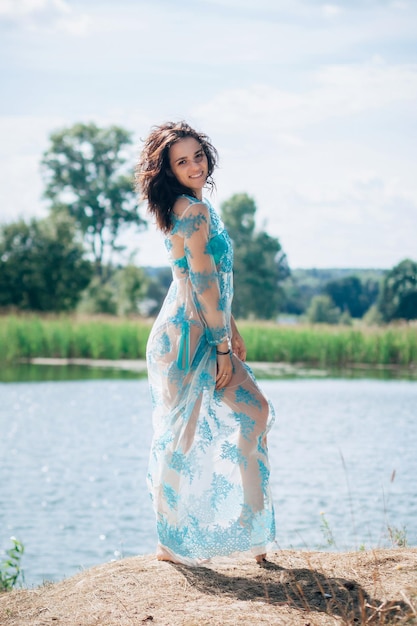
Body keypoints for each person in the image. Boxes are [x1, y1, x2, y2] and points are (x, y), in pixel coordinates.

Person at [136, 121, 276, 565]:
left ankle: (249, 529)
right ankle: (171, 542)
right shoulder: (192, 212)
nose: (195, 165)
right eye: (182, 161)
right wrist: (221, 347)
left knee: (252, 414)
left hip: (200, 332)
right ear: (168, 171)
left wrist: (231, 329)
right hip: (188, 341)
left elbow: (214, 282)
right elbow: (202, 280)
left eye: (198, 155)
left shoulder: (193, 206)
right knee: (183, 436)